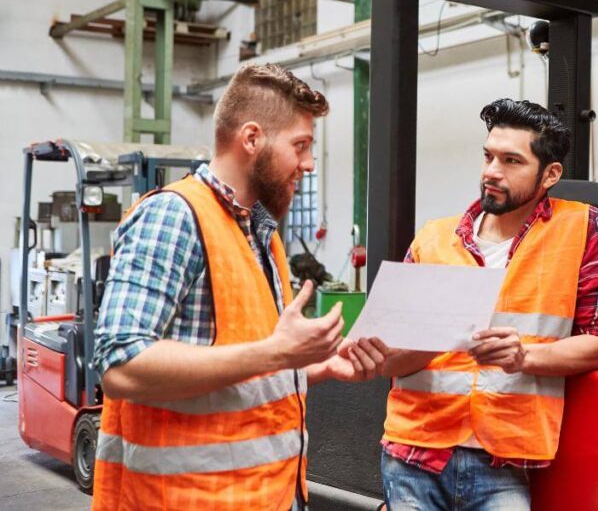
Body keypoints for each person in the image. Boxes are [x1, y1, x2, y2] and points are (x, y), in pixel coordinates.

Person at [91, 63, 387, 510]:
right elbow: (120, 367)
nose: (308, 163)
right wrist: (278, 353)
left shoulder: (261, 234)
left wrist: (312, 366)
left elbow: (237, 370)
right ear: (251, 139)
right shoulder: (174, 216)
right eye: (300, 146)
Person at [378, 98, 598, 510]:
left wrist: (523, 356)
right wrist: (432, 340)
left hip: (504, 459)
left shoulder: (581, 227)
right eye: (488, 156)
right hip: (414, 452)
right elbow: (388, 363)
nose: (492, 171)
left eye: (511, 161)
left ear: (550, 174)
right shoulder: (433, 238)